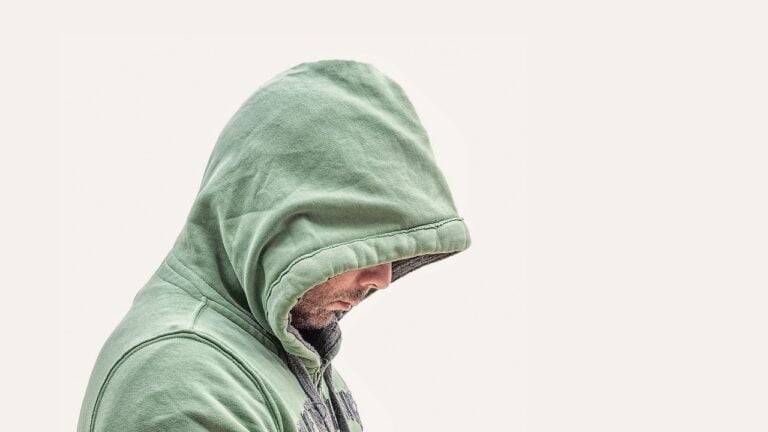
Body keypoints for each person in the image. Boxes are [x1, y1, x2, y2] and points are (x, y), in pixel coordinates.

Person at [76, 58, 472, 432]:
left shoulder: (287, 354)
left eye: (393, 249)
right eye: (362, 244)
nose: (382, 277)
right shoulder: (184, 377)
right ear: (279, 222)